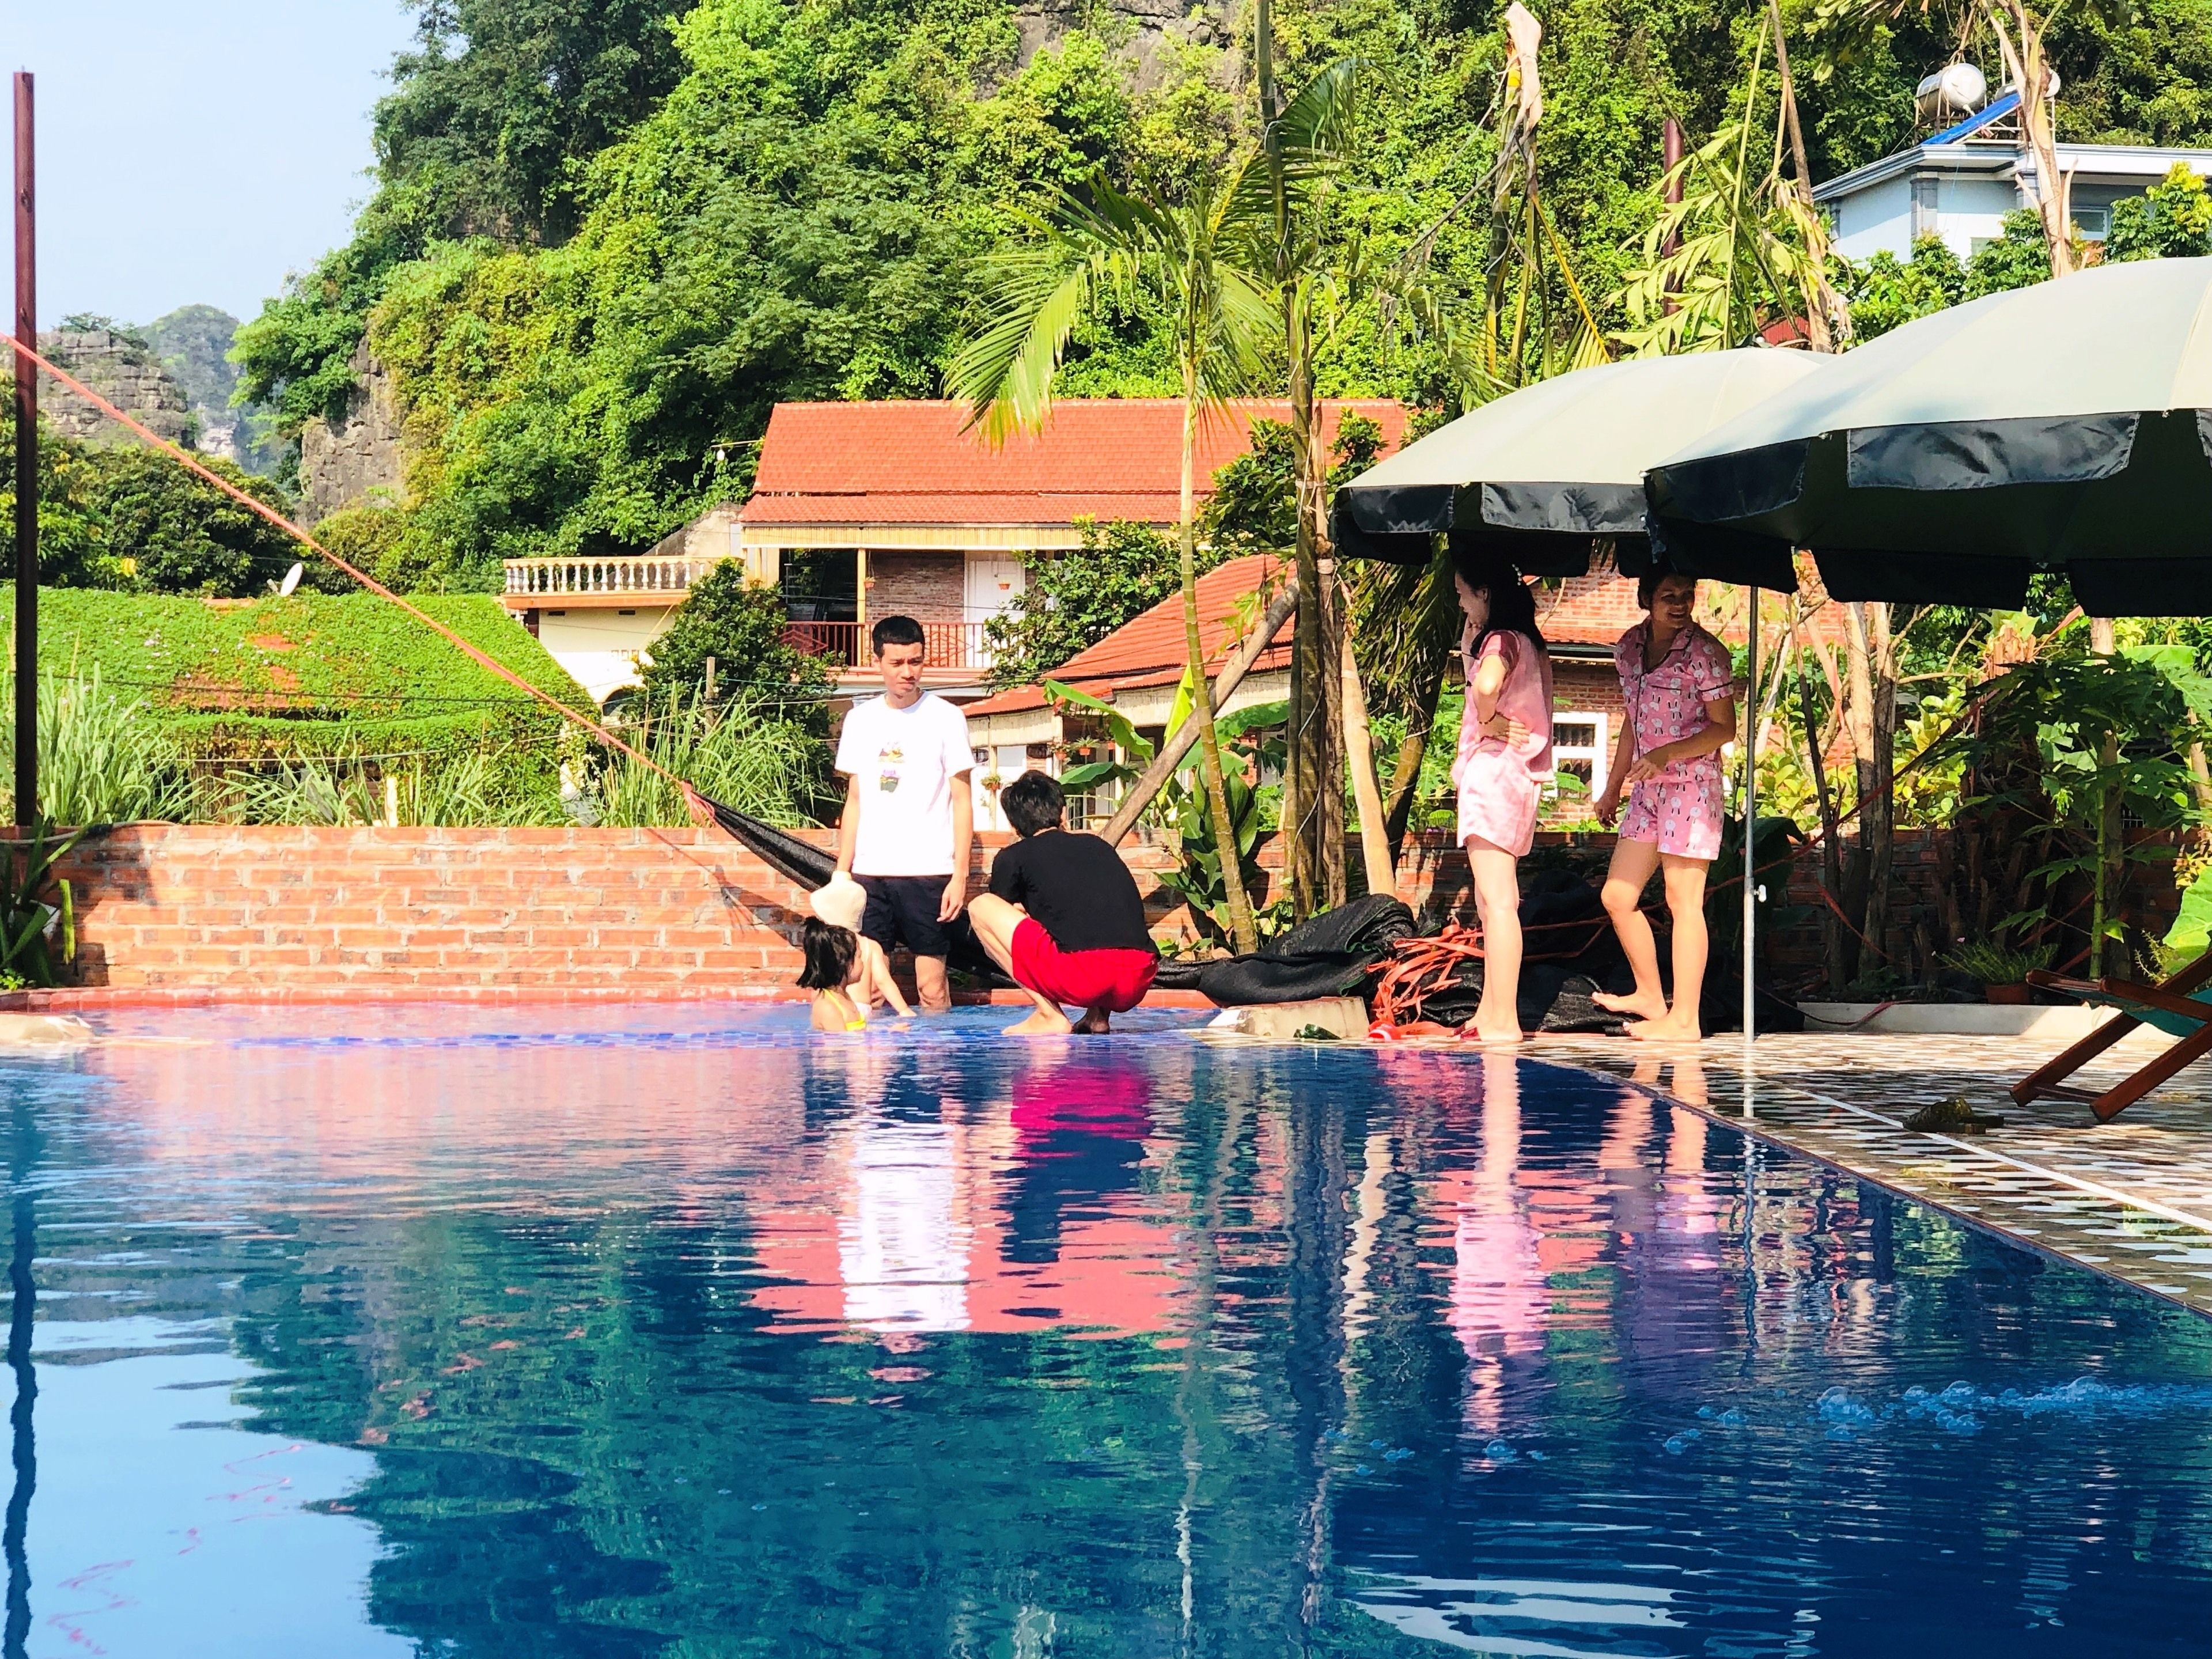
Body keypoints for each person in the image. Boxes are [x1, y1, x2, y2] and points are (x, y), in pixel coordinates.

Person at [1592, 570, 1738, 1041]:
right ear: (1645, 599)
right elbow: (1632, 723)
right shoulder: (1629, 648)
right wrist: (1613, 786)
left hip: (1691, 787)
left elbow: (1724, 729)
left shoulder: (1706, 654)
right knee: (1617, 896)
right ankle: (1651, 995)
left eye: (1687, 596)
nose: (1680, 604)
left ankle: (1686, 1020)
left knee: (1683, 900)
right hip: (1647, 788)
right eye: (1668, 596)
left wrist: (1666, 755)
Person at [832, 615, 975, 1014]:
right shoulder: (860, 719)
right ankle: (872, 1076)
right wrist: (842, 872)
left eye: (915, 662)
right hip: (870, 873)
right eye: (897, 663)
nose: (907, 673)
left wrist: (960, 875)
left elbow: (963, 799)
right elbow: (855, 800)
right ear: (877, 661)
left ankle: (938, 1075)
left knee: (932, 989)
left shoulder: (948, 717)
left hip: (929, 873)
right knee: (868, 990)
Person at [966, 770, 1159, 1036]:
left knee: (982, 907)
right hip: (1139, 976)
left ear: (1014, 826)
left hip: (1082, 978)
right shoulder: (1099, 846)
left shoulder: (1014, 856)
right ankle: (1097, 1018)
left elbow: (1001, 912)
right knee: (1089, 920)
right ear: (1064, 813)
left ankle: (1049, 1015)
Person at [1450, 558, 1554, 1047]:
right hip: (1517, 778)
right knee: (1498, 903)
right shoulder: (1531, 645)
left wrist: (1486, 717)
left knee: (1498, 901)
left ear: (1486, 594)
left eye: (1464, 595)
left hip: (1492, 772)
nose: (1461, 604)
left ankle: (1502, 1019)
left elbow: (1488, 685)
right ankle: (1492, 1013)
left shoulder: (1502, 641)